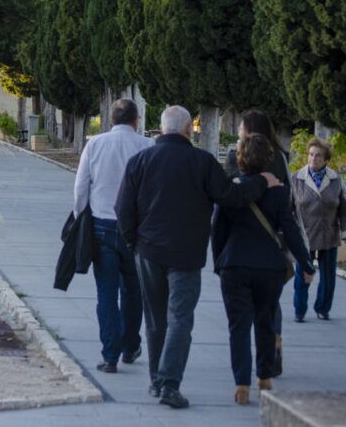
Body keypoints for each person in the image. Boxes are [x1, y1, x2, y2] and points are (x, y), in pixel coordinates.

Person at [115, 105, 281, 409]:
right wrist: (261, 182)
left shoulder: (140, 161)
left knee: (155, 320)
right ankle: (169, 384)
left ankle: (157, 380)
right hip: (186, 254)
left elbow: (123, 208)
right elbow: (231, 198)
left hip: (148, 251)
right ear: (189, 130)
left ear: (162, 129)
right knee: (180, 319)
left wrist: (134, 244)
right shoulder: (202, 162)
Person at [212, 134, 314, 405]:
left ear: (240, 159)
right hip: (269, 267)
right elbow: (290, 230)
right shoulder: (279, 192)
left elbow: (217, 230)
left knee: (238, 326)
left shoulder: (231, 189)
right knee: (265, 322)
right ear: (269, 158)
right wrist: (306, 262)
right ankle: (264, 377)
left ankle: (241, 385)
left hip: (234, 264)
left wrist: (219, 262)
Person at [74, 98, 153, 374]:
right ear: (136, 120)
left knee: (105, 292)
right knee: (133, 290)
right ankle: (131, 346)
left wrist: (80, 217)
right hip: (136, 229)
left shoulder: (95, 144)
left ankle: (110, 354)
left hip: (101, 225)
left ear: (111, 120)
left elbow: (81, 186)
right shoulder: (147, 146)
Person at [222, 110, 292, 375]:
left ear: (249, 129)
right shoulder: (282, 158)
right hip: (274, 239)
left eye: (241, 126)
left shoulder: (235, 156)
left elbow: (228, 195)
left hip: (240, 240)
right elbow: (288, 200)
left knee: (241, 314)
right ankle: (273, 350)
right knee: (270, 304)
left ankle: (243, 373)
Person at [291, 137, 346, 322]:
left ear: (326, 159)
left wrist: (344, 232)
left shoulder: (335, 179)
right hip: (305, 234)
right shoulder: (297, 178)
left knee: (328, 276)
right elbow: (288, 208)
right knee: (302, 274)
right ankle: (299, 310)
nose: (314, 158)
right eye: (311, 154)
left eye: (318, 156)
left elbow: (343, 208)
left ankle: (323, 308)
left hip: (329, 233)